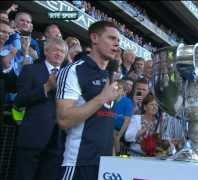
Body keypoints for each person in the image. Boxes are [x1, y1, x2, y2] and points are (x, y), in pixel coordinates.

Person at [56, 21, 120, 180]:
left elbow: (105, 120)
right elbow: (64, 119)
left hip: (106, 165)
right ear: (94, 38)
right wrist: (102, 98)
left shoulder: (108, 75)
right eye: (111, 38)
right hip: (79, 163)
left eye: (118, 41)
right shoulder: (73, 70)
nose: (116, 44)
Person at [14, 38, 67, 180]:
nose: (58, 54)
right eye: (55, 49)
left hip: (58, 140)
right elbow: (19, 100)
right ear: (46, 51)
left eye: (62, 51)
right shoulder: (31, 70)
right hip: (32, 137)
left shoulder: (69, 76)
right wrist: (45, 88)